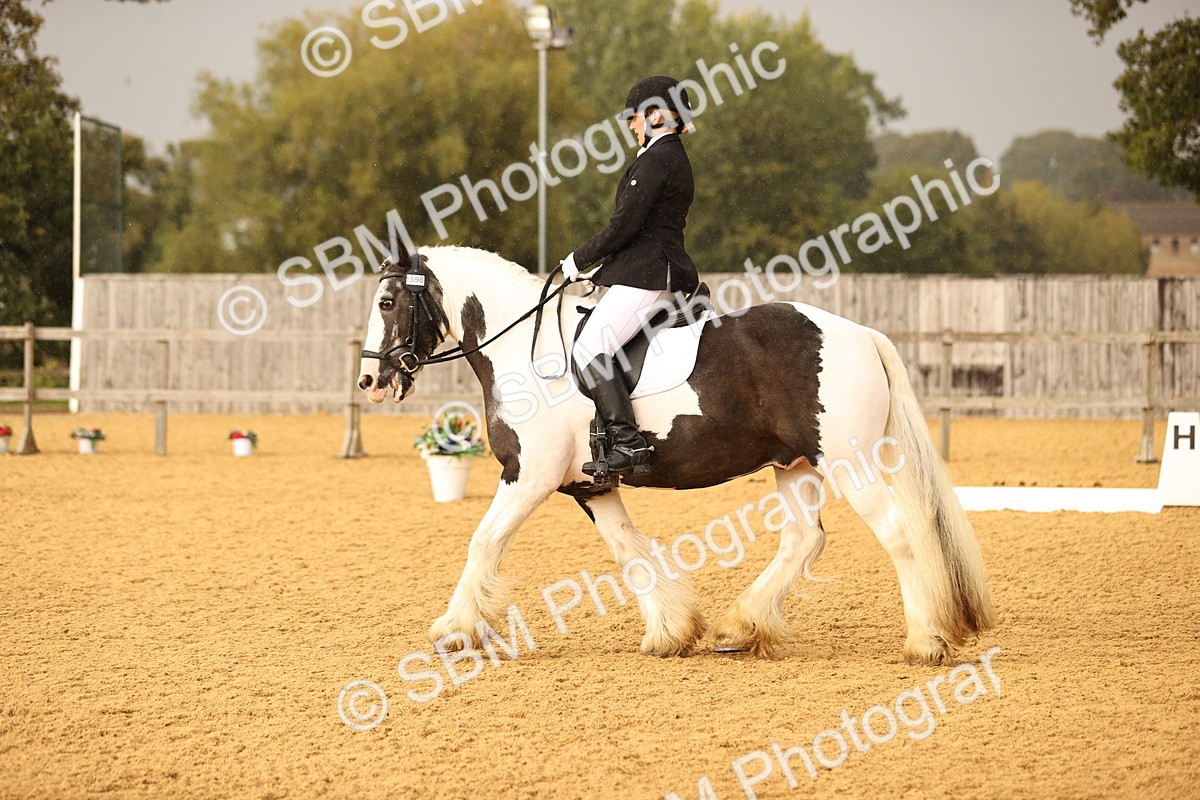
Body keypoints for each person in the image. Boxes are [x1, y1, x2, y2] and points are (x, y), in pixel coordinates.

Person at [560, 74, 699, 477]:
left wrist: (577, 260)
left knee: (590, 347)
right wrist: (603, 270)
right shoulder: (666, 156)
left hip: (651, 274)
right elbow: (643, 230)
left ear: (656, 115)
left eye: (635, 117)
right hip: (652, 268)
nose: (632, 126)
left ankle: (627, 440)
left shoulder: (658, 158)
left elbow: (624, 226)